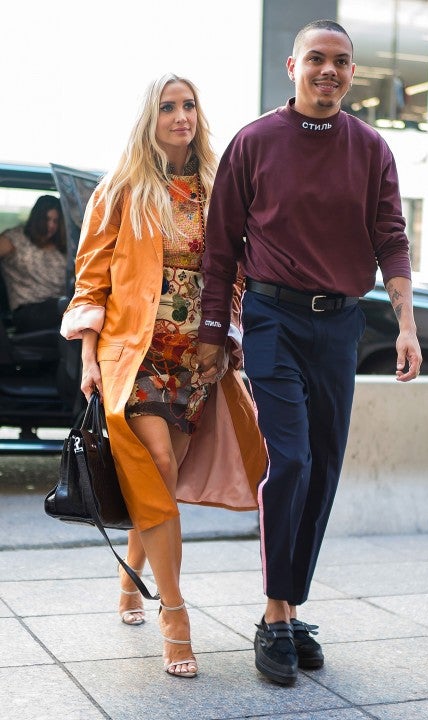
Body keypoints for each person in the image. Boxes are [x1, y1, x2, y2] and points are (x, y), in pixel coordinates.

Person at [197, 19, 422, 686]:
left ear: (353, 72)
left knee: (322, 467)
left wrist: (406, 326)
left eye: (342, 61)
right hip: (273, 318)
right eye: (317, 58)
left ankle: (292, 609)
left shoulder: (371, 148)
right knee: (290, 459)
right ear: (293, 67)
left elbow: (391, 238)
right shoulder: (254, 142)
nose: (330, 70)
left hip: (341, 324)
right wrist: (213, 334)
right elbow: (220, 248)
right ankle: (274, 615)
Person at [60, 74, 266, 678]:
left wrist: (226, 339)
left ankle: (130, 578)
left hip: (195, 358)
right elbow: (91, 281)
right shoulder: (121, 189)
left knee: (161, 476)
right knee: (154, 460)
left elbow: (235, 276)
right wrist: (88, 358)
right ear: (149, 119)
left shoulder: (219, 189)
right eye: (168, 106)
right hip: (134, 352)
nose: (182, 116)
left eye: (189, 105)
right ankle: (174, 614)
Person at [0, 195, 66, 332]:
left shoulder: (61, 247)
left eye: (56, 221)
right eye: (47, 219)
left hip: (60, 304)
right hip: (29, 310)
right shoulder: (15, 239)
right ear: (37, 218)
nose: (51, 225)